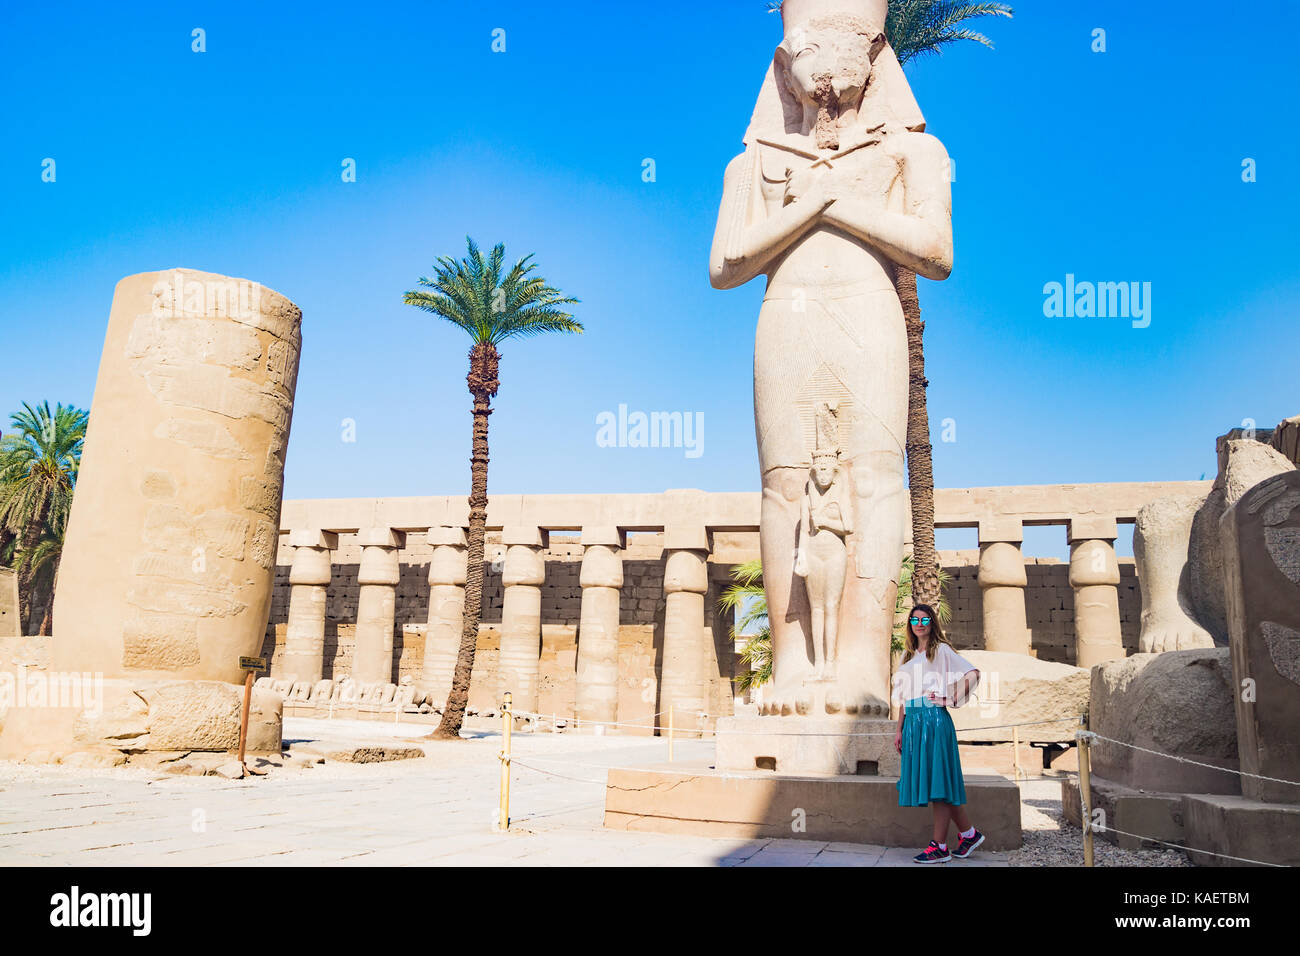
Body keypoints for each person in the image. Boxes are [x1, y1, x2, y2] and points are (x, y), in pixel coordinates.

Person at [892, 604, 984, 863]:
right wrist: (899, 730)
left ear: (932, 623)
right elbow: (903, 696)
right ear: (910, 623)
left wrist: (951, 698)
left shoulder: (941, 650)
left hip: (934, 719)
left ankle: (939, 847)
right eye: (914, 619)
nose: (919, 623)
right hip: (913, 722)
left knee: (939, 783)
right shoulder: (907, 656)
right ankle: (968, 834)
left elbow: (973, 673)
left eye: (925, 619)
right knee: (936, 780)